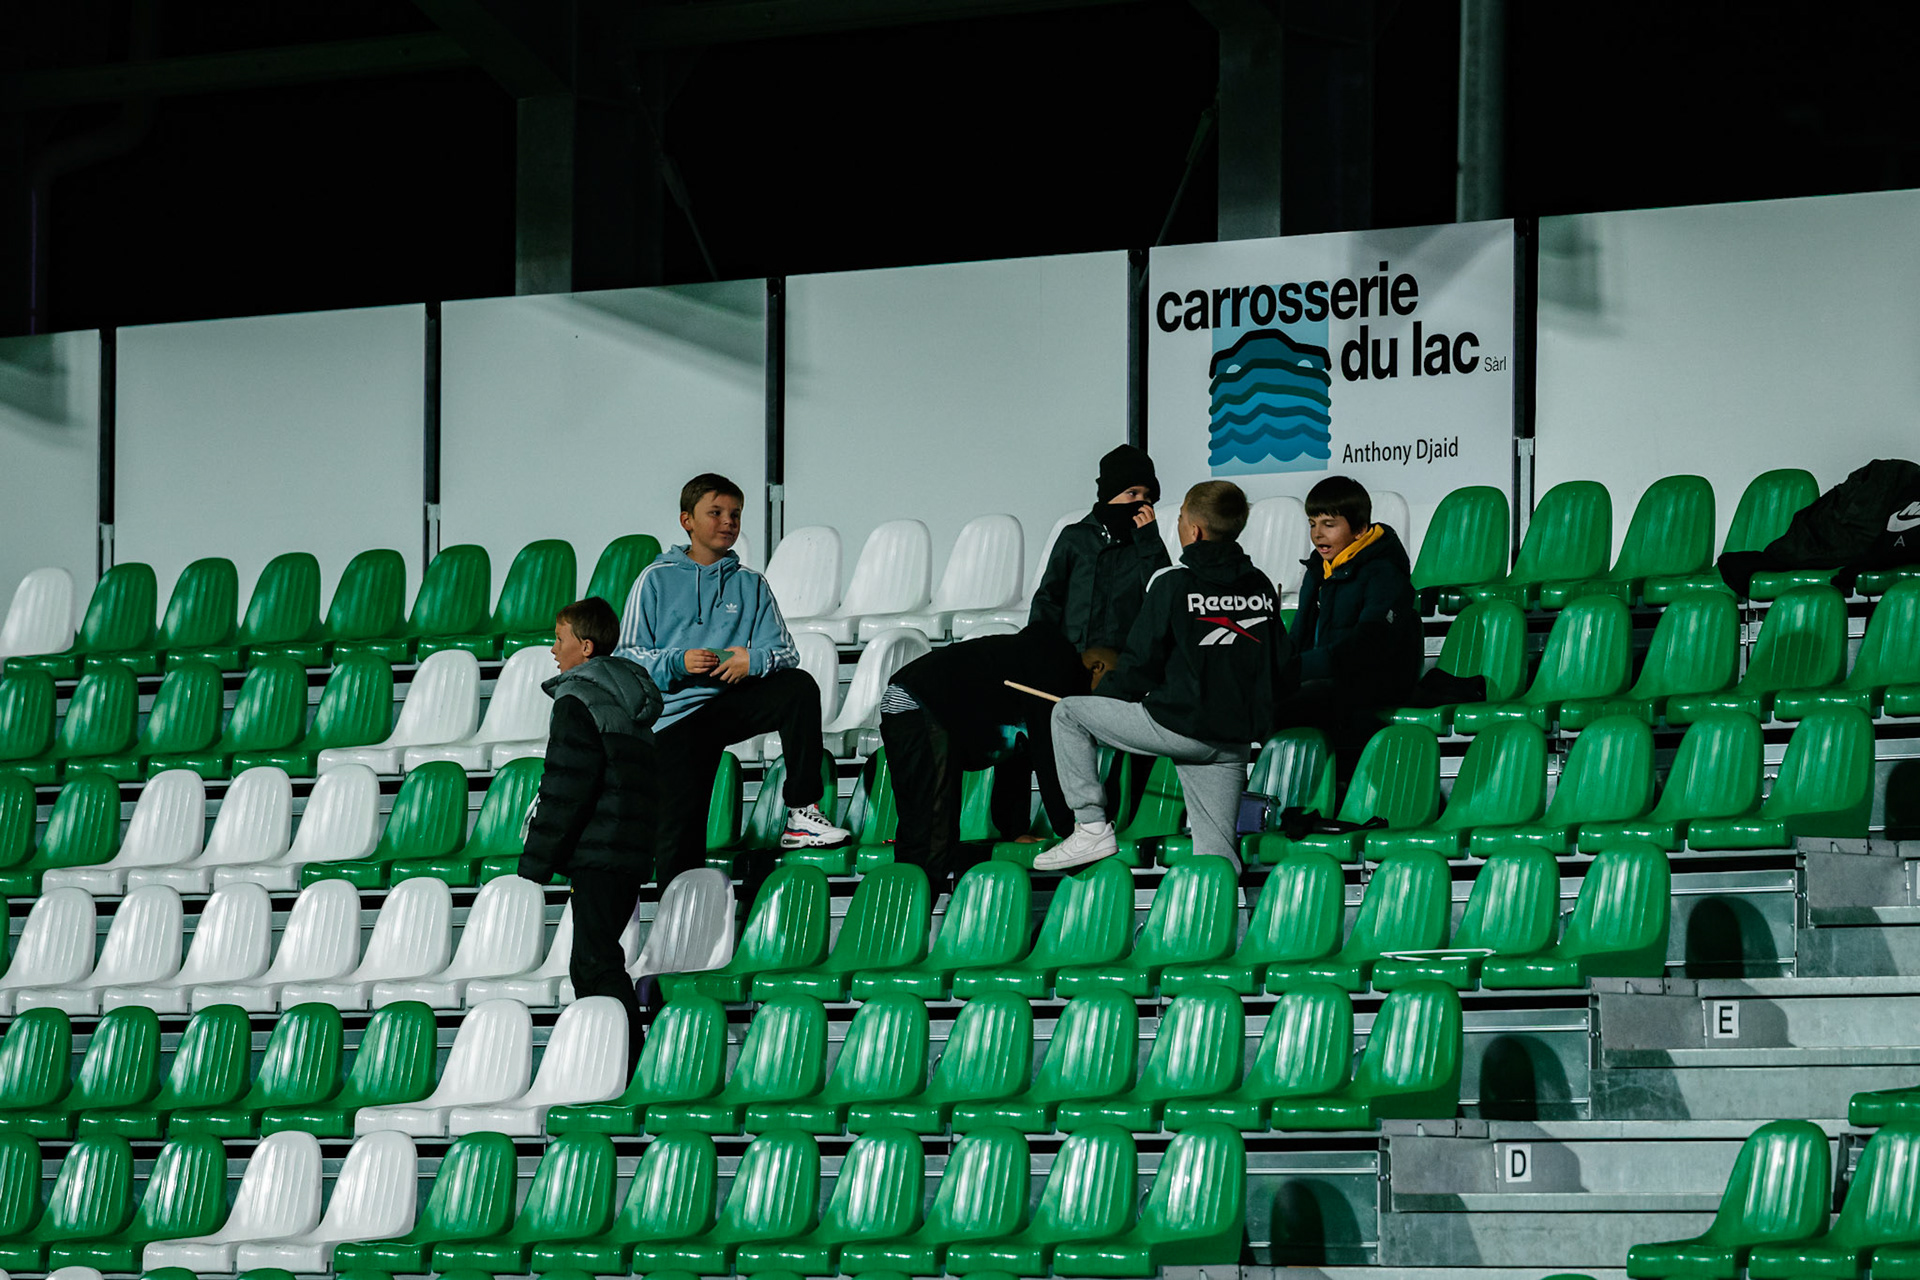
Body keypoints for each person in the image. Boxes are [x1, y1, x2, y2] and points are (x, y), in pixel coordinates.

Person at [878, 444, 1170, 881]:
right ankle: (910, 930)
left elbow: (1165, 595)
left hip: (926, 700)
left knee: (943, 822)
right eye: (1130, 494)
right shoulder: (1073, 550)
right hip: (918, 702)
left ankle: (929, 905)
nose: (1140, 504)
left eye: (1148, 495)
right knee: (931, 839)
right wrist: (1073, 830)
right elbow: (1049, 750)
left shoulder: (1147, 546)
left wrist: (1014, 830)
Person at [1038, 480, 1294, 873]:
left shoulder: (1173, 583)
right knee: (1217, 854)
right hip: (1234, 738)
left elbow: (1139, 665)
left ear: (1194, 530)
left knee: (1068, 713)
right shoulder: (1259, 584)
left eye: (1179, 519)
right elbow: (1280, 662)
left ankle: (1090, 826)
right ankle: (1221, 930)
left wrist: (1103, 700)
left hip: (1180, 726)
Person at [617, 473, 849, 889]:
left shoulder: (751, 584)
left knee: (797, 686)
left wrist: (751, 661)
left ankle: (801, 811)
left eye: (736, 514)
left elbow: (785, 653)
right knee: (678, 844)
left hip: (725, 706)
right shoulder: (654, 579)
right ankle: (679, 939)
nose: (728, 522)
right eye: (716, 512)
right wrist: (678, 661)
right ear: (687, 520)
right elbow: (627, 658)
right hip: (673, 723)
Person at [516, 596, 661, 1070]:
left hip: (598, 855)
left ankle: (623, 1064)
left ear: (585, 645)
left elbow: (566, 787)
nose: (553, 649)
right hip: (626, 852)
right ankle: (619, 1060)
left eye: (560, 639)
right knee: (599, 959)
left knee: (595, 965)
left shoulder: (577, 700)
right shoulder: (629, 700)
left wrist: (536, 860)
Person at [1273, 475, 1423, 770]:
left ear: (1359, 530)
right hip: (1328, 681)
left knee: (1278, 708)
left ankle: (1297, 794)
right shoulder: (1317, 572)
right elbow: (1299, 637)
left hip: (1370, 683)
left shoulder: (1384, 573)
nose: (1317, 535)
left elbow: (1369, 647)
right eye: (1312, 524)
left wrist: (1299, 668)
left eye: (1329, 524)